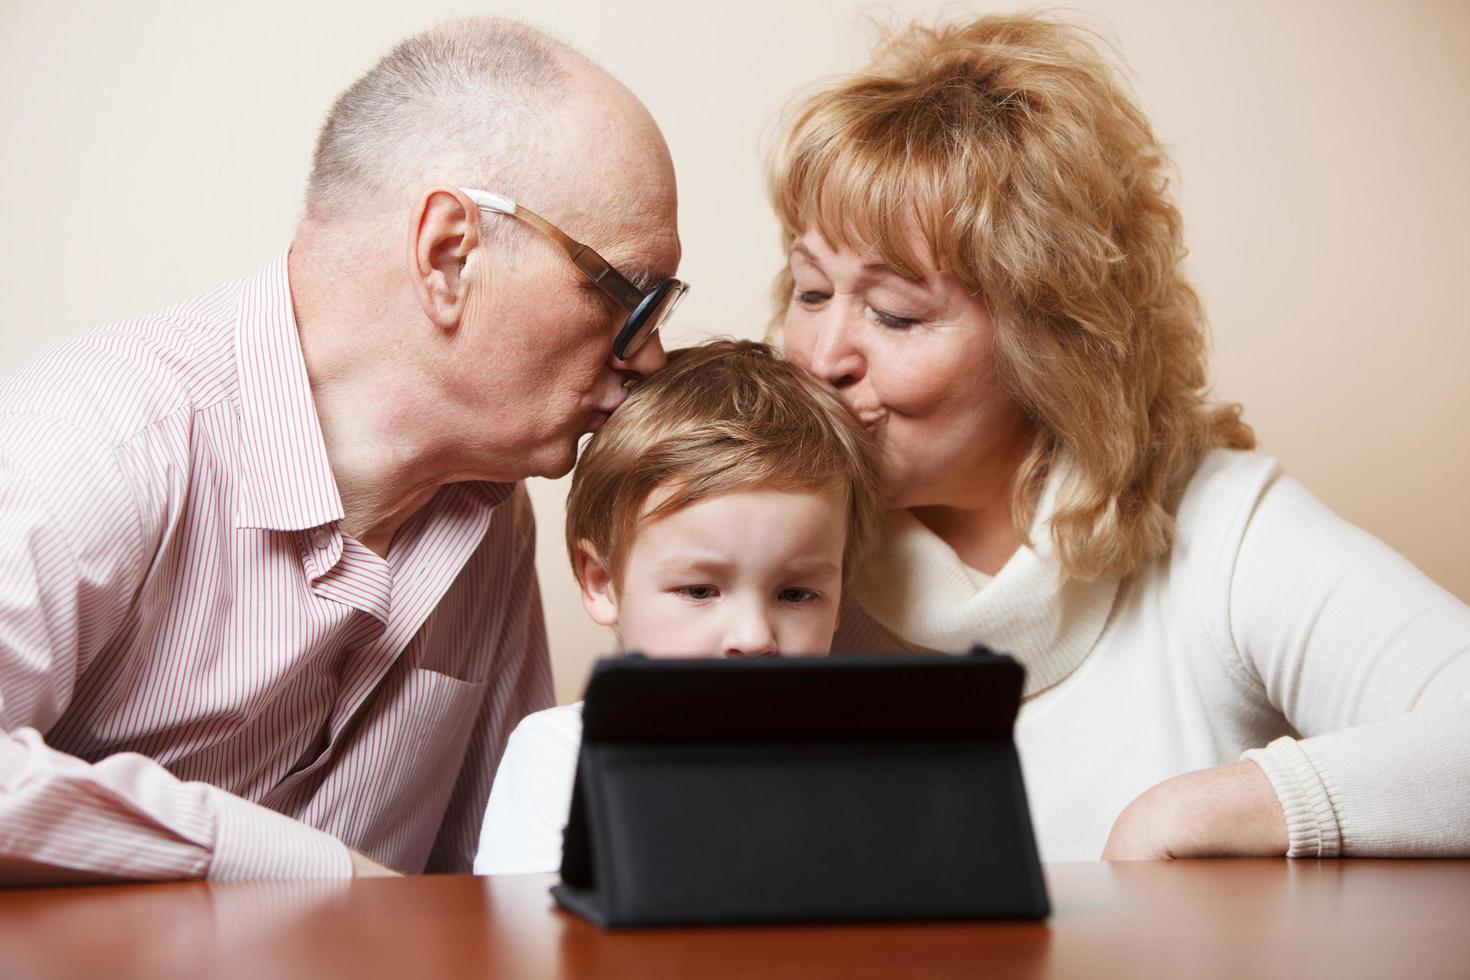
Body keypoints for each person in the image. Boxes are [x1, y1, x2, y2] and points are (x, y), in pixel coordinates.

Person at [767, 14, 1470, 861]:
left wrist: (1205, 814)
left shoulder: (1222, 533)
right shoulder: (753, 556)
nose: (823, 356)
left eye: (895, 312)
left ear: (1049, 341)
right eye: (809, 292)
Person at [0, 17, 681, 883]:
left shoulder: (492, 515)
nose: (650, 353)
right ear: (449, 255)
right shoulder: (96, 444)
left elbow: (497, 883)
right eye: (632, 295)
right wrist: (290, 865)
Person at [473, 340, 882, 874]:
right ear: (602, 582)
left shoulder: (869, 761)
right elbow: (527, 941)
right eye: (699, 591)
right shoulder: (561, 756)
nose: (754, 637)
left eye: (796, 594)